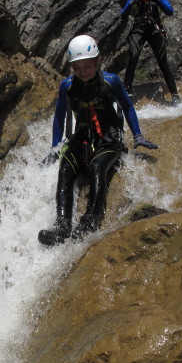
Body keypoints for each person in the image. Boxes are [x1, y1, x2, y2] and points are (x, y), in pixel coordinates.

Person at [38, 35, 158, 246]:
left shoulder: (111, 81)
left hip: (108, 140)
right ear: (72, 67)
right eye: (78, 68)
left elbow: (128, 106)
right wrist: (55, 146)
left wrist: (137, 135)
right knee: (65, 169)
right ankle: (62, 224)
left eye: (88, 66)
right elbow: (59, 117)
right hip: (80, 140)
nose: (83, 72)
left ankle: (90, 220)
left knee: (96, 167)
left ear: (97, 62)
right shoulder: (67, 86)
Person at [120, 0, 180, 106]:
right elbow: (123, 15)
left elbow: (170, 11)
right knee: (133, 56)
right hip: (139, 30)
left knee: (162, 61)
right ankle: (126, 92)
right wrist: (131, 3)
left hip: (154, 30)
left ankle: (175, 94)